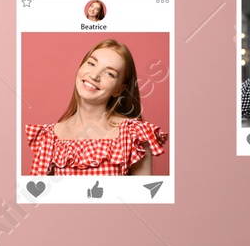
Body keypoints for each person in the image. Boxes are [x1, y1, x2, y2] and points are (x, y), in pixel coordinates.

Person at [25, 39, 166, 175]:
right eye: (92, 63)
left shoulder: (134, 135)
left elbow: (143, 197)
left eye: (109, 73)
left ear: (119, 90)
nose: (94, 76)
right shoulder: (49, 138)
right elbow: (38, 197)